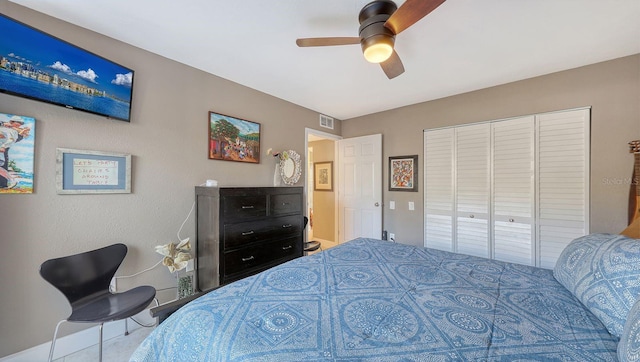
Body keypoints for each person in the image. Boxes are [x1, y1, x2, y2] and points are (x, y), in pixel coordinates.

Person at [0, 116, 31, 188]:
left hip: (3, 150)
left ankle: (6, 183)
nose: (19, 125)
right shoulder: (4, 126)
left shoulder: (13, 131)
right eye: (17, 124)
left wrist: (21, 134)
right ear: (11, 122)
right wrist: (4, 124)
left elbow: (12, 140)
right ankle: (9, 181)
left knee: (3, 166)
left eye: (20, 124)